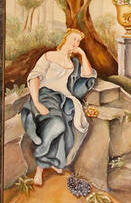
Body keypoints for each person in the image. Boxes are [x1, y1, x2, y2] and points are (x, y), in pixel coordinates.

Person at [22, 30, 97, 186]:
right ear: (65, 38)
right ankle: (40, 168)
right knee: (56, 125)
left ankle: (56, 161)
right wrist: (37, 102)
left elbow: (88, 75)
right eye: (73, 39)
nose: (75, 43)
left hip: (63, 99)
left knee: (67, 132)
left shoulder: (74, 63)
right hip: (45, 96)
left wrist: (82, 54)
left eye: (78, 42)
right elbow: (34, 77)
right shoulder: (49, 56)